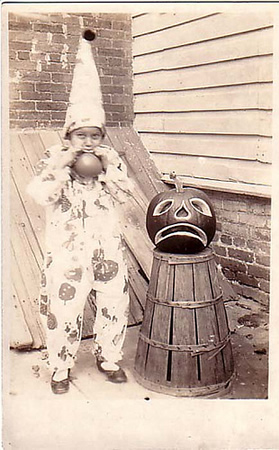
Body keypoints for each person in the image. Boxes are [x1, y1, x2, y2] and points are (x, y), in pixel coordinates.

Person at [27, 32, 133, 394]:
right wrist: (62, 167)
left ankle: (109, 357)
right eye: (81, 136)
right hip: (67, 249)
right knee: (63, 305)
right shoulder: (55, 159)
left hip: (107, 245)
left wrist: (109, 170)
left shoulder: (109, 160)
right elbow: (39, 194)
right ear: (70, 135)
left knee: (113, 301)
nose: (88, 142)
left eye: (94, 135)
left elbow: (126, 193)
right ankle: (61, 366)